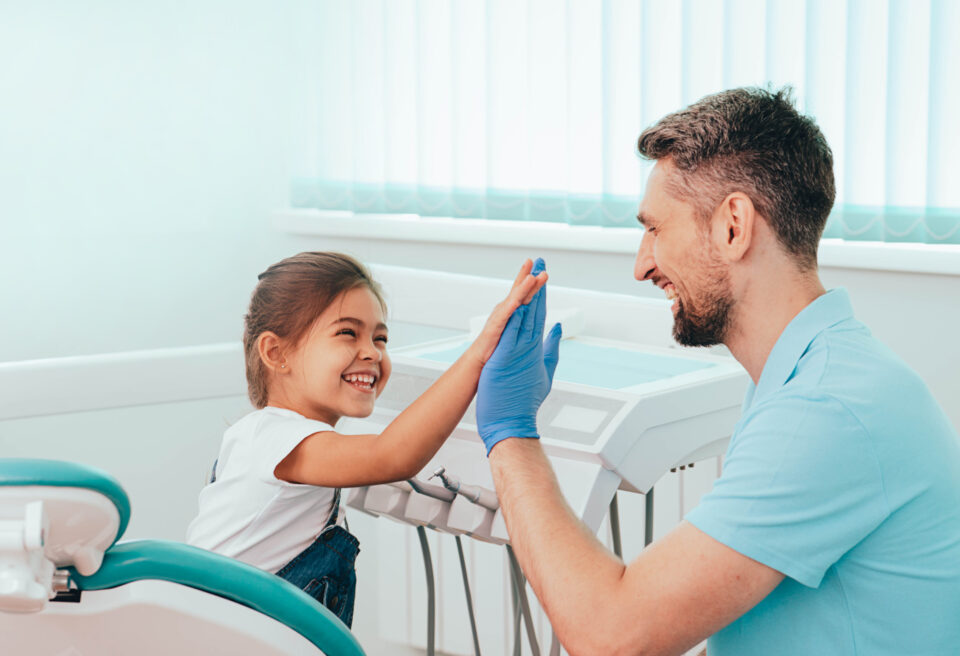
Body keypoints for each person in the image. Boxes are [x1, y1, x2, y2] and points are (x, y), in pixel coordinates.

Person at [474, 88, 960, 655]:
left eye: (655, 229)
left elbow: (609, 636)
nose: (641, 264)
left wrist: (510, 432)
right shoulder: (805, 374)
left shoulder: (827, 410)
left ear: (733, 226)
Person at [186, 251, 546, 628]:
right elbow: (390, 454)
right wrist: (481, 352)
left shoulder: (270, 437)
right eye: (347, 332)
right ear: (276, 353)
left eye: (381, 337)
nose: (372, 352)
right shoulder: (276, 438)